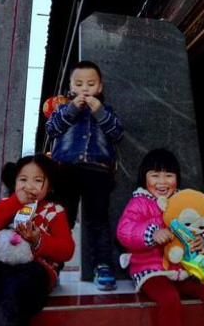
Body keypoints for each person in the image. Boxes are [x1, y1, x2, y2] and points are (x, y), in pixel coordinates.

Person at [117, 148, 204, 326]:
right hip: (151, 270)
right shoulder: (139, 202)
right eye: (155, 175)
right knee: (169, 298)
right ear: (144, 177)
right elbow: (125, 230)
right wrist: (152, 233)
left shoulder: (185, 200)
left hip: (186, 270)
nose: (162, 182)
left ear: (177, 178)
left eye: (169, 175)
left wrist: (203, 242)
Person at [0, 154, 74, 326]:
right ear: (14, 183)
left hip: (36, 267)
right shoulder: (6, 203)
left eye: (37, 180)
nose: (28, 186)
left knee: (16, 292)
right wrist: (13, 203)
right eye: (23, 179)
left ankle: (5, 317)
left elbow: (66, 250)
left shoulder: (54, 211)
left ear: (49, 187)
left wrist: (38, 240)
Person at [45, 60, 123, 290]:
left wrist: (99, 111)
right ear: (70, 87)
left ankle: (103, 266)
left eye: (90, 83)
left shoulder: (107, 111)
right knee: (62, 219)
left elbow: (117, 133)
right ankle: (52, 264)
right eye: (79, 84)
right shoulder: (62, 109)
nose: (85, 88)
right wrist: (71, 109)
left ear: (99, 87)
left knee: (98, 220)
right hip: (66, 170)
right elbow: (52, 129)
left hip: (98, 172)